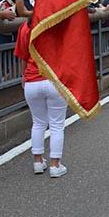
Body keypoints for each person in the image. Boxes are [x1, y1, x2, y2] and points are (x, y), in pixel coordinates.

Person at [15, 19, 68, 177]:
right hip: (54, 79)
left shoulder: (25, 26)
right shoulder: (58, 22)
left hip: (32, 80)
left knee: (38, 123)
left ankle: (38, 161)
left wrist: (23, 76)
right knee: (57, 125)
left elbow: (22, 55)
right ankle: (55, 165)